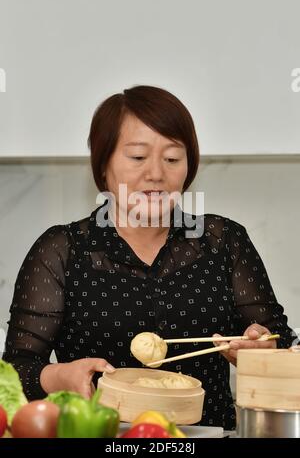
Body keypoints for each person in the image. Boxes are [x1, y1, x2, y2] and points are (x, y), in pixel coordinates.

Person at [2, 85, 296, 430]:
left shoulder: (223, 241)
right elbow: (16, 370)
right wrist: (58, 376)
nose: (156, 173)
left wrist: (259, 352)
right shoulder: (61, 249)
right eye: (138, 157)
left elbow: (279, 345)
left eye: (172, 158)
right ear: (103, 163)